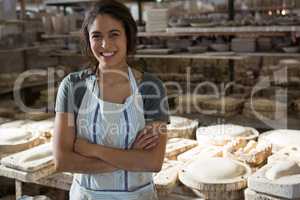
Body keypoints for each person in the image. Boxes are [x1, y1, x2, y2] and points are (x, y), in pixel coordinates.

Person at [53, 0, 170, 199]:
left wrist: (90, 149)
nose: (105, 45)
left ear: (128, 37)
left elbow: (153, 162)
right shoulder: (73, 87)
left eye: (114, 34)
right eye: (96, 36)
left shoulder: (151, 88)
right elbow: (63, 161)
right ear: (88, 40)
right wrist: (130, 157)